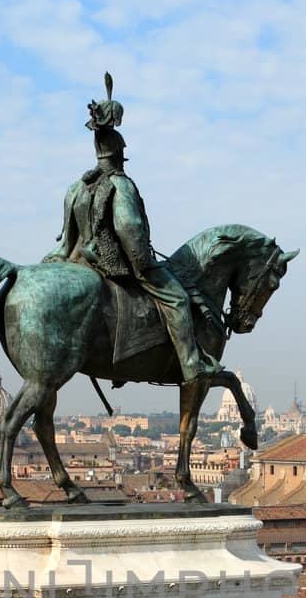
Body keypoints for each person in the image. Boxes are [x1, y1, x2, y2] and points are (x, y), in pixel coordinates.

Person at [47, 75, 219, 385]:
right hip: (115, 263)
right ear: (119, 154)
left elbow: (66, 241)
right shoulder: (120, 185)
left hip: (81, 260)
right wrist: (144, 264)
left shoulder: (77, 187)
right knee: (178, 299)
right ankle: (192, 364)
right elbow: (130, 229)